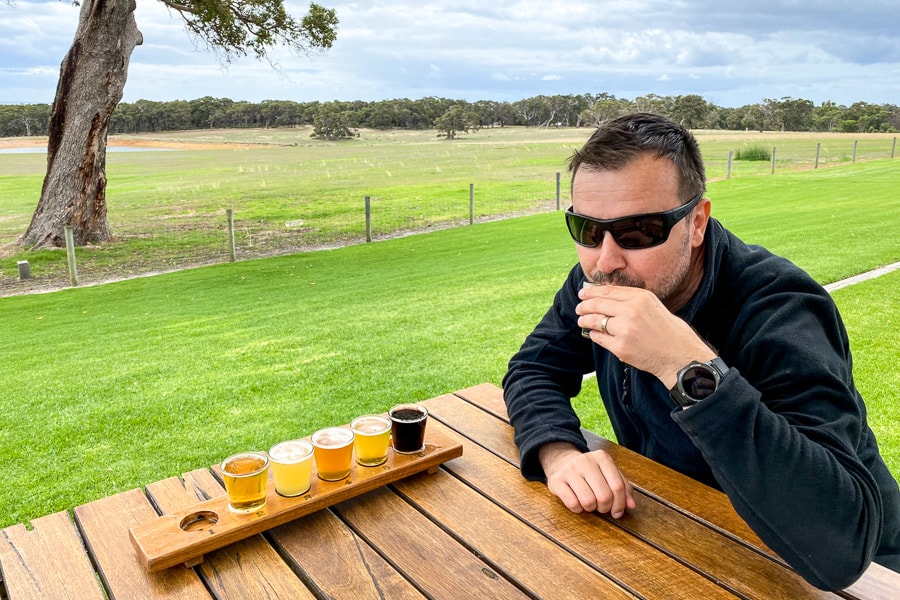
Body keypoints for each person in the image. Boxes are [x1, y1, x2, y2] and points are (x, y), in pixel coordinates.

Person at [502, 112, 900, 590]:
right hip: (693, 535)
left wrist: (686, 366)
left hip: (864, 573)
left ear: (696, 222)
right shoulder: (598, 281)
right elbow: (533, 368)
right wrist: (559, 452)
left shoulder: (782, 310)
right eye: (587, 230)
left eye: (639, 232)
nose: (606, 260)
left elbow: (841, 548)